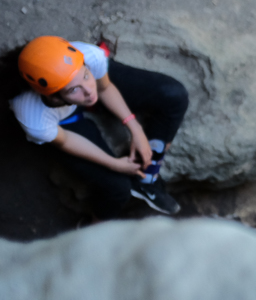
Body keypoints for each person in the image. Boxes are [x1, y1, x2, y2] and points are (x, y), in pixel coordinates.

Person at [9, 36, 188, 218]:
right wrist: (114, 165)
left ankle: (147, 179)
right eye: (74, 89)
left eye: (86, 75)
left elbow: (103, 88)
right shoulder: (34, 118)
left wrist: (135, 128)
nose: (88, 89)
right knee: (118, 188)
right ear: (54, 97)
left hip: (76, 95)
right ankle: (93, 233)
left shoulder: (88, 56)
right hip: (62, 121)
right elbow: (66, 140)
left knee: (174, 95)